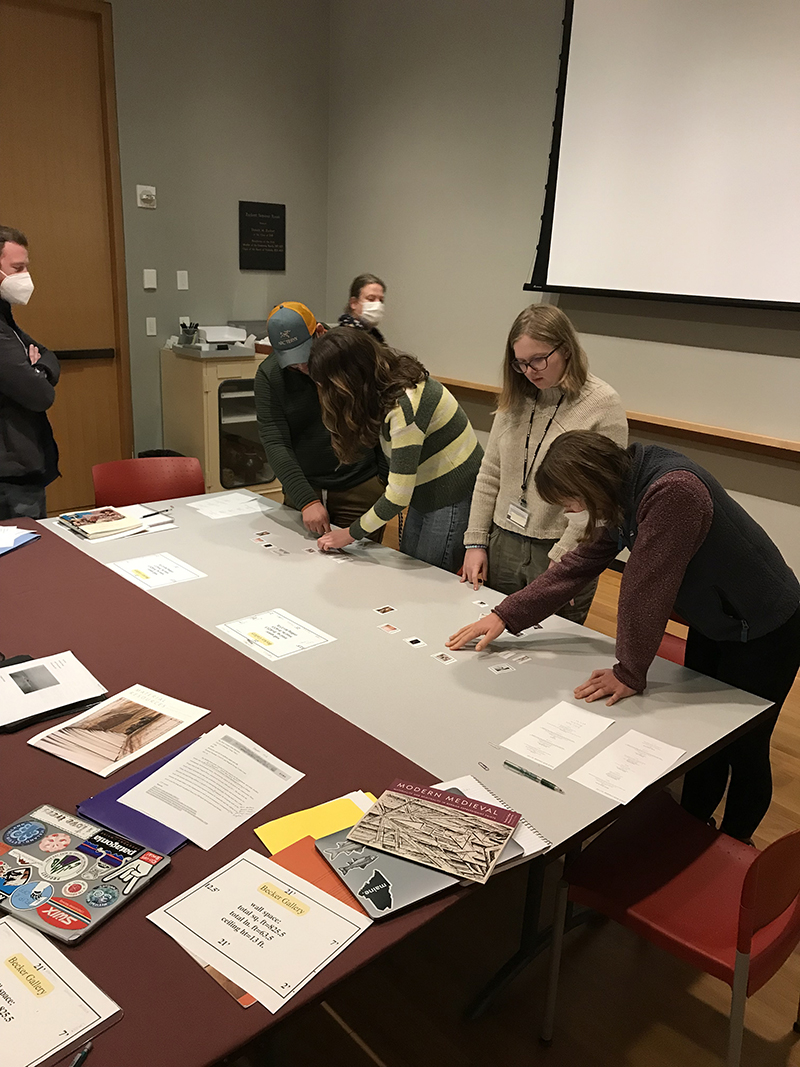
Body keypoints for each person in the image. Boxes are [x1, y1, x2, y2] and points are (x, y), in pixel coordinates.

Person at [447, 430, 800, 841]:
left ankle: (735, 844)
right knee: (711, 741)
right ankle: (693, 829)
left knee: (746, 745)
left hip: (766, 624)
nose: (570, 511)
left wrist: (630, 671)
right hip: (717, 620)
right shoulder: (622, 486)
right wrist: (506, 614)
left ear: (589, 481)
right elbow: (581, 562)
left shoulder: (673, 492)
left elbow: (645, 585)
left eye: (570, 501)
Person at [461, 304, 627, 623]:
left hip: (562, 547)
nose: (530, 370)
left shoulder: (603, 404)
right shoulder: (517, 396)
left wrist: (566, 558)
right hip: (504, 542)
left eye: (539, 359)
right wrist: (476, 541)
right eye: (521, 362)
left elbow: (602, 501)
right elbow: (490, 474)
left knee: (550, 644)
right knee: (496, 636)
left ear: (565, 350)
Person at [308, 327, 483, 572]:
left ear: (347, 381)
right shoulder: (382, 387)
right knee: (410, 562)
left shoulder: (404, 407)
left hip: (450, 492)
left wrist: (350, 533)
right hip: (424, 487)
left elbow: (398, 495)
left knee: (431, 574)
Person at [254, 302, 384, 539]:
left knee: (362, 569)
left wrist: (384, 480)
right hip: (304, 486)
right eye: (292, 362)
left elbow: (377, 419)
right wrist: (306, 500)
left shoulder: (348, 356)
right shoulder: (269, 374)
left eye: (306, 356)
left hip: (359, 486)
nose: (303, 367)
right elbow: (275, 442)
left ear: (321, 332)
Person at [0, 226, 60, 519]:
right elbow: (40, 395)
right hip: (9, 478)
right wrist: (36, 372)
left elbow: (47, 355)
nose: (25, 277)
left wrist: (37, 366)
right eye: (17, 268)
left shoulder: (5, 315)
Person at [338, 273, 387, 342]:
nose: (377, 304)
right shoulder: (342, 338)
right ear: (353, 303)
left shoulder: (375, 335)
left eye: (381, 300)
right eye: (371, 299)